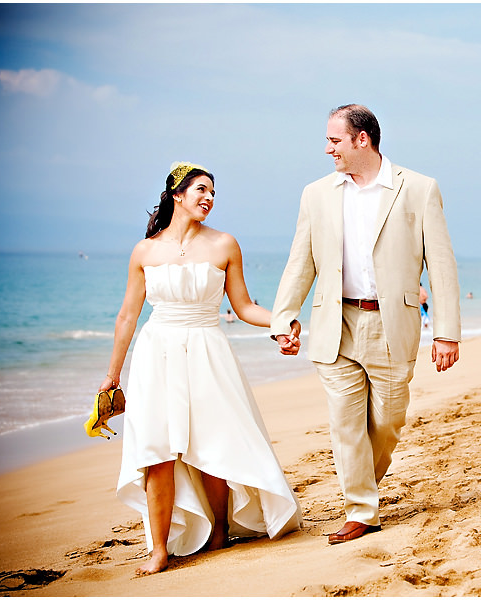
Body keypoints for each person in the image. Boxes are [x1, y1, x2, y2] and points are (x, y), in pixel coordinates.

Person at [270, 105, 461, 545]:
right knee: (345, 423)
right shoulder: (315, 194)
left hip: (392, 324)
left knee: (387, 422)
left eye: (334, 141)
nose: (326, 149)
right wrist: (284, 315)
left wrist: (446, 331)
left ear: (363, 140)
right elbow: (301, 259)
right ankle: (361, 509)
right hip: (335, 323)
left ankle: (363, 490)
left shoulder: (418, 189)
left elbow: (442, 266)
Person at [100, 162, 301, 575]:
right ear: (177, 194)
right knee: (155, 451)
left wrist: (282, 322)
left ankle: (219, 530)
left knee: (214, 444)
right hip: (157, 354)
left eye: (213, 193)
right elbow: (127, 317)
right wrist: (112, 375)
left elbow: (243, 307)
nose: (209, 199)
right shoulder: (145, 251)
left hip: (208, 350)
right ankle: (158, 549)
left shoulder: (224, 244)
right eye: (201, 190)